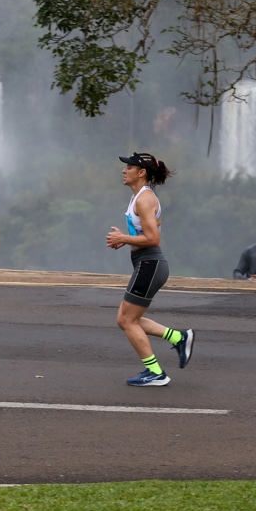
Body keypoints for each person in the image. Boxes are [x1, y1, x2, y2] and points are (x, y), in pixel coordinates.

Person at [105, 152, 195, 387]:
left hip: (150, 264)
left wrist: (124, 237)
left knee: (127, 320)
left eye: (129, 167)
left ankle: (156, 372)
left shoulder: (144, 199)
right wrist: (128, 239)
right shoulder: (142, 197)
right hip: (148, 264)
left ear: (141, 172)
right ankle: (178, 337)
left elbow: (153, 238)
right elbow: (152, 227)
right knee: (127, 319)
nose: (124, 171)